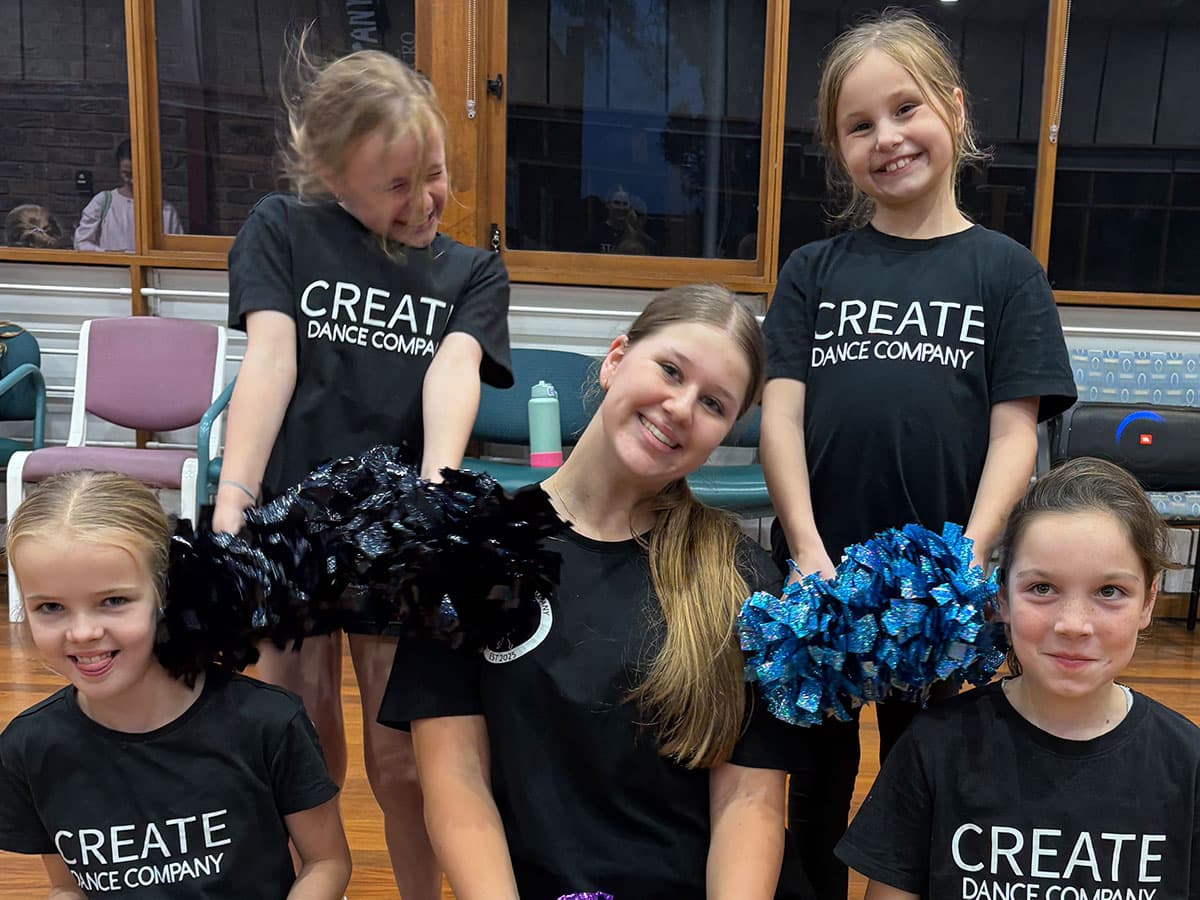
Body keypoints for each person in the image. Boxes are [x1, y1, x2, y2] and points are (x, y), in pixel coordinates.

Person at [759, 11, 1077, 897]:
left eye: (907, 109)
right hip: (822, 582)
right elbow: (781, 419)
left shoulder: (1008, 271)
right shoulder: (812, 270)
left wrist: (969, 557)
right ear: (837, 148)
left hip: (942, 591)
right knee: (812, 787)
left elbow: (1016, 431)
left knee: (927, 776)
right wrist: (811, 552)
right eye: (859, 126)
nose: (888, 138)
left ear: (956, 111)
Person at [379, 284, 811, 900]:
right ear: (614, 360)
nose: (681, 407)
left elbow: (751, 805)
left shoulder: (741, 580)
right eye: (669, 370)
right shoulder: (469, 552)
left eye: (713, 403)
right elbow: (458, 790)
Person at [214, 33, 513, 900]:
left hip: (395, 532)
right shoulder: (283, 230)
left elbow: (453, 372)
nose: (427, 200)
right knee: (297, 732)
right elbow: (269, 361)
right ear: (331, 173)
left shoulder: (469, 270)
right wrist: (233, 511)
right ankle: (315, 881)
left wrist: (435, 492)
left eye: (435, 173)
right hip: (293, 523)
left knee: (401, 758)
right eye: (396, 185)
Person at [836, 457, 1200, 897]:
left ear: (1148, 602)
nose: (1073, 624)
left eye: (1110, 592)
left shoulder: (1188, 764)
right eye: (1042, 588)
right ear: (1002, 595)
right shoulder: (934, 747)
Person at [0, 471, 351, 899]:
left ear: (163, 592)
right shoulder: (28, 748)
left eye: (113, 601)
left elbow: (325, 862)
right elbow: (66, 886)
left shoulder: (268, 724)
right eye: (51, 607)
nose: (83, 632)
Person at [73, 139, 184, 252]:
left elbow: (177, 250)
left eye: (136, 174)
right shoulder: (103, 202)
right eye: (126, 174)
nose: (132, 180)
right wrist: (108, 255)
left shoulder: (166, 210)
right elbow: (81, 242)